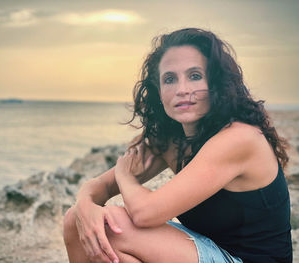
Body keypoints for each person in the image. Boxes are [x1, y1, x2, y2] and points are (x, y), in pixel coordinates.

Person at [63, 28, 292, 263]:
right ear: (158, 91)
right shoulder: (171, 140)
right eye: (170, 79)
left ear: (216, 83)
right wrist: (84, 206)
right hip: (208, 249)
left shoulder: (239, 139)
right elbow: (98, 185)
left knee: (111, 227)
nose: (182, 90)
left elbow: (144, 214)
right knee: (75, 222)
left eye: (195, 76)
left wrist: (125, 175)